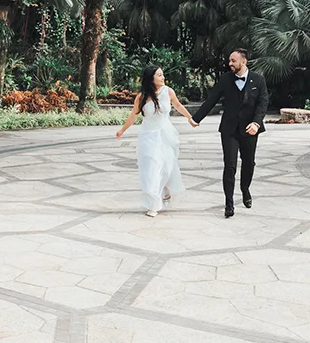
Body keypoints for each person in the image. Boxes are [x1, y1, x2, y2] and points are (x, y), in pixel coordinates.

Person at [191, 48, 269, 218]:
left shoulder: (258, 80)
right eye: (229, 61)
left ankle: (245, 189)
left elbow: (263, 104)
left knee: (249, 163)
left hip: (250, 129)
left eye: (233, 61)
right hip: (229, 130)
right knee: (230, 166)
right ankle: (229, 203)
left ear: (243, 61)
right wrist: (196, 118)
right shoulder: (225, 79)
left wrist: (256, 123)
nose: (230, 64)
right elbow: (211, 99)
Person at [115, 65, 194, 217]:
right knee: (151, 168)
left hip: (165, 135)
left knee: (165, 167)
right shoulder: (141, 96)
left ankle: (164, 189)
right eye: (159, 75)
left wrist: (190, 118)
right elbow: (134, 115)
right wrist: (122, 130)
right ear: (151, 78)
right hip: (148, 137)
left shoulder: (168, 91)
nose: (162, 77)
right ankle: (153, 204)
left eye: (162, 75)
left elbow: (177, 105)